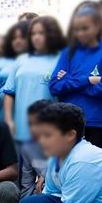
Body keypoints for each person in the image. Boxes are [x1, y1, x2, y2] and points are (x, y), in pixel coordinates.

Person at [49, 4, 102, 147]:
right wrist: (88, 80)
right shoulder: (68, 52)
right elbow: (54, 87)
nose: (80, 33)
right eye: (77, 29)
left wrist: (69, 80)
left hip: (95, 121)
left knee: (91, 166)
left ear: (97, 27)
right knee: (65, 166)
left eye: (85, 28)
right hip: (66, 119)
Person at [4, 16, 66, 146]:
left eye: (41, 33)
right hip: (20, 130)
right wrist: (9, 121)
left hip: (50, 131)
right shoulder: (21, 59)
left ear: (52, 34)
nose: (36, 37)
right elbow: (9, 92)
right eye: (33, 33)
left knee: (46, 166)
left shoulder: (62, 59)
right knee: (21, 166)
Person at [12, 100, 53, 203]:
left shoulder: (67, 144)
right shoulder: (29, 148)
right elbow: (26, 185)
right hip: (44, 197)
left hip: (67, 200)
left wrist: (47, 178)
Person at [0, 22, 28, 121]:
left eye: (22, 37)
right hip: (0, 116)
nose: (17, 41)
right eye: (14, 38)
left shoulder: (36, 63)